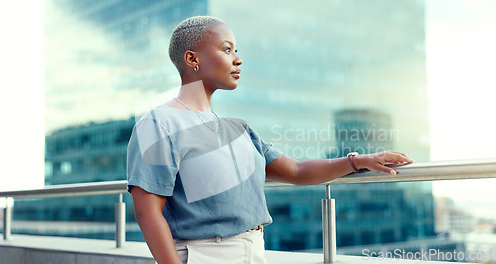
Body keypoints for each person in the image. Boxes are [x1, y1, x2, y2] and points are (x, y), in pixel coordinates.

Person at [126, 16, 413, 264]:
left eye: (236, 50)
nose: (237, 59)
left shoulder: (239, 129)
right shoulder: (158, 123)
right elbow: (148, 212)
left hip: (254, 251)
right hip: (202, 255)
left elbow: (297, 171)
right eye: (227, 50)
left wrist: (360, 161)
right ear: (192, 59)